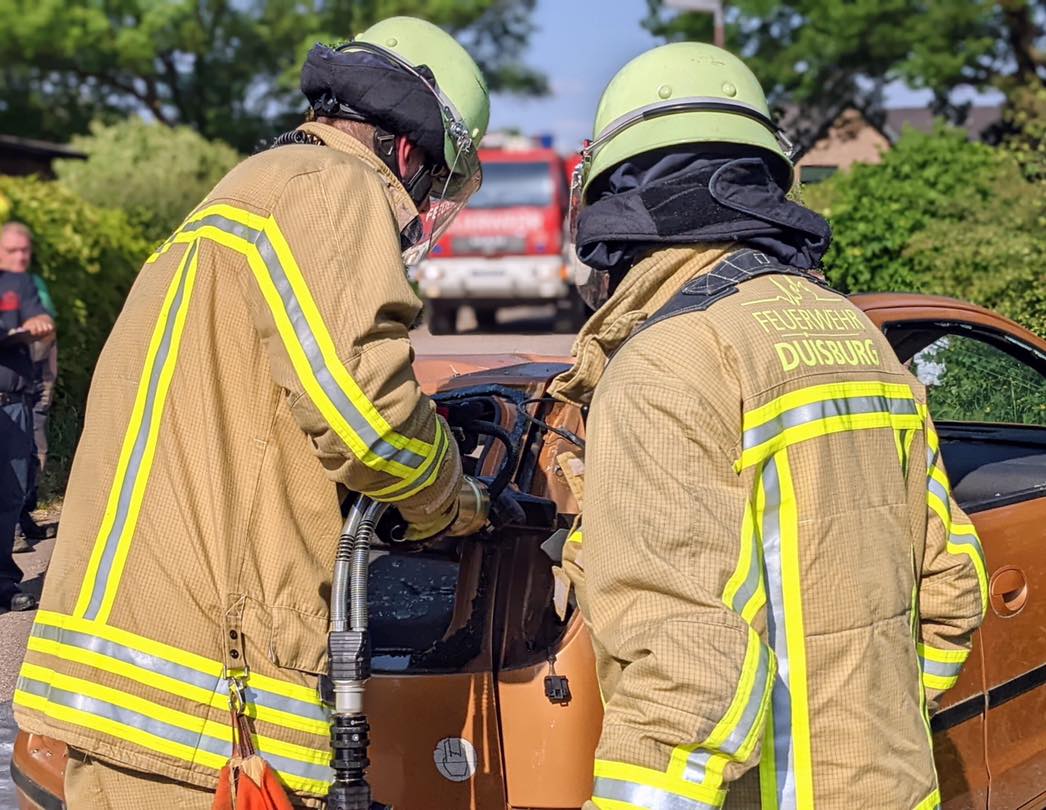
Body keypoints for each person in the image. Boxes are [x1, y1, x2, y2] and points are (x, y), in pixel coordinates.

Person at [15, 16, 491, 808]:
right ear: (407, 152)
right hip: (206, 716)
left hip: (124, 695)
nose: (424, 211)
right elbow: (367, 422)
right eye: (436, 185)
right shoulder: (335, 191)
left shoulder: (241, 194)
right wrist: (455, 498)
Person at [551, 43, 987, 810]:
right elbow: (954, 585)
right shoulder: (860, 339)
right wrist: (872, 725)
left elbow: (684, 678)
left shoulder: (669, 362)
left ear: (619, 203)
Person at [0, 227, 55, 610]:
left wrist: (36, 327)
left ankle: (4, 583)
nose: (19, 257)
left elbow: (39, 320)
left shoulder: (20, 286)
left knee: (11, 495)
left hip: (15, 404)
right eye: (11, 250)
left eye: (24, 250)